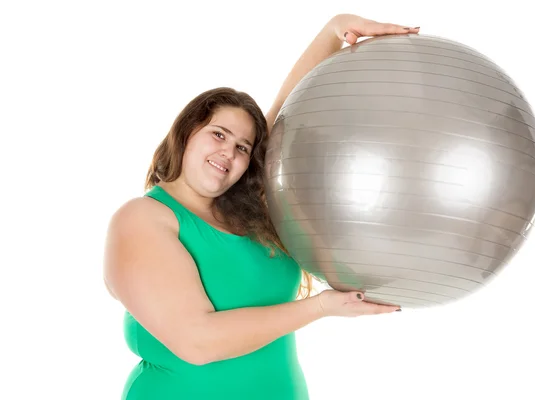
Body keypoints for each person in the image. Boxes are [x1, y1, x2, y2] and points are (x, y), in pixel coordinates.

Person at [103, 13, 419, 400]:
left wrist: (335, 29)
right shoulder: (142, 219)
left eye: (242, 147)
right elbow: (197, 342)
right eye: (218, 134)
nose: (227, 152)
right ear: (186, 133)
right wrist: (319, 308)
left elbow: (286, 111)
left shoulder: (248, 211)